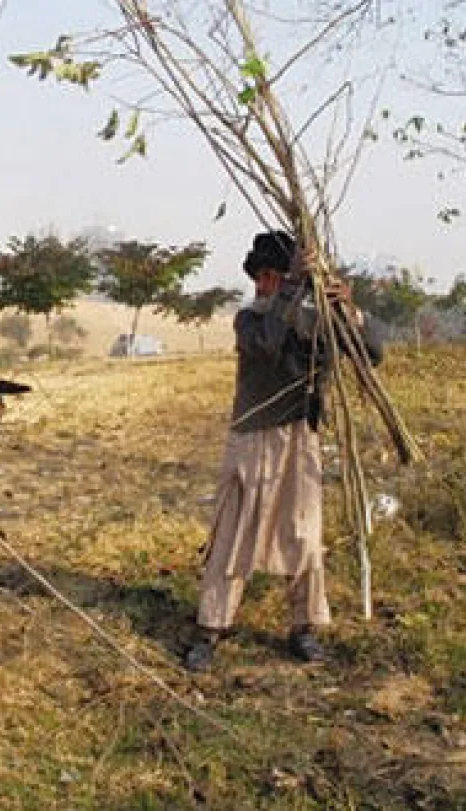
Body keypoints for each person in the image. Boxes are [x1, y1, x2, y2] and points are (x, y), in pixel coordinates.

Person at [183, 230, 384, 672]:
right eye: (263, 276)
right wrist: (293, 289)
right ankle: (210, 629)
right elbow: (269, 343)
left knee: (304, 534)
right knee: (234, 534)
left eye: (272, 276)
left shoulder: (318, 320)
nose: (263, 284)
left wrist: (346, 308)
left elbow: (373, 353)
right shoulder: (250, 320)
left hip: (301, 438)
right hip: (253, 437)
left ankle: (304, 627)